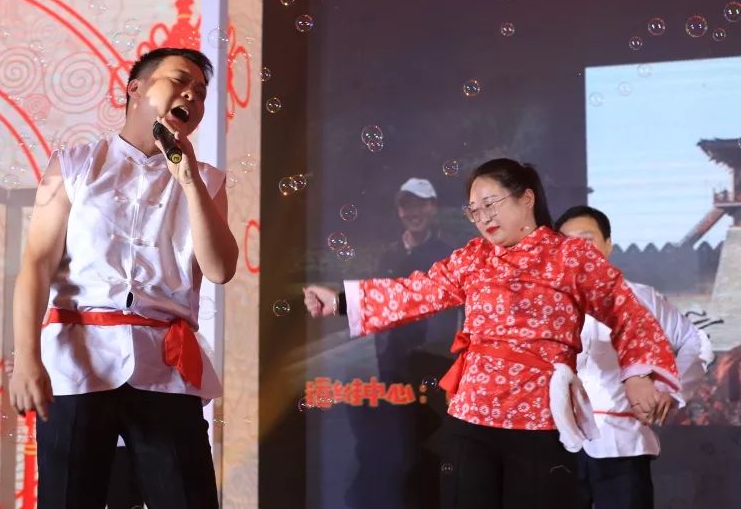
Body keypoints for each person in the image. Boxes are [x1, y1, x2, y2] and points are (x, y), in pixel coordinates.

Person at [303, 158, 681, 509]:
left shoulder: (572, 257)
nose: (483, 217)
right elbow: (418, 291)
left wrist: (639, 375)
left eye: (490, 204)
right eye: (474, 210)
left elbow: (627, 311)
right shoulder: (473, 257)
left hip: (539, 419)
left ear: (527, 198)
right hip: (472, 417)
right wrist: (340, 301)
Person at [8, 47, 238, 509]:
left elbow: (220, 269)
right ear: (135, 88)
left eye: (200, 92)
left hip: (165, 367)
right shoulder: (74, 164)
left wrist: (189, 180)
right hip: (78, 362)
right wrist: (27, 359)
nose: (191, 96)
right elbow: (36, 263)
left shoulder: (208, 181)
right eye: (180, 81)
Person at [556, 205, 712, 509]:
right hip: (554, 445)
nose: (577, 251)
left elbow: (696, 341)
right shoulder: (542, 303)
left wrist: (669, 389)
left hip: (621, 444)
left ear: (608, 245)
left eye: (586, 240)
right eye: (566, 243)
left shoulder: (641, 297)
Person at [347, 178, 456, 508]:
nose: (414, 212)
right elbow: (378, 304)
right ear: (399, 210)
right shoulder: (389, 255)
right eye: (407, 205)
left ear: (433, 207)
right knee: (400, 448)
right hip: (393, 370)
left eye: (421, 204)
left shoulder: (446, 255)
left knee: (434, 445)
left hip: (436, 367)